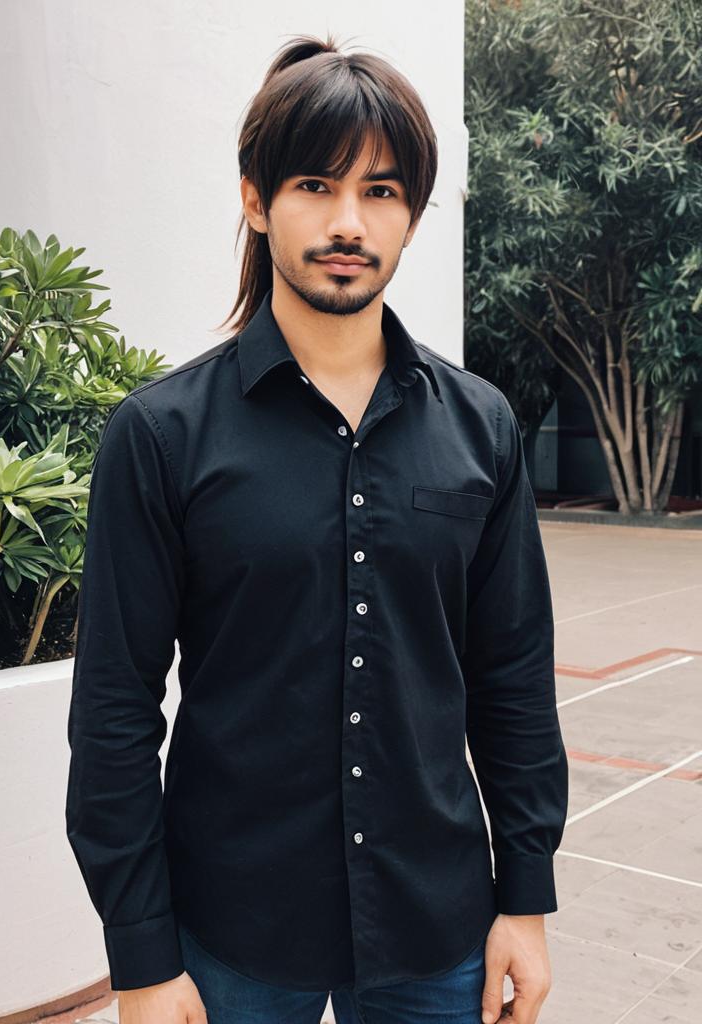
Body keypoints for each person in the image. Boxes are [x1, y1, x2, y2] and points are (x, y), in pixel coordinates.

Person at [65, 31, 568, 1024]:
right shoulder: (161, 437)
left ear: (413, 216)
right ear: (256, 200)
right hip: (231, 938)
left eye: (381, 191)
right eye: (314, 185)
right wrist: (141, 955)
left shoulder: (483, 430)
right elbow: (115, 715)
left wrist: (528, 896)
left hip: (440, 929)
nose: (349, 221)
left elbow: (511, 679)